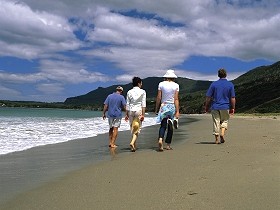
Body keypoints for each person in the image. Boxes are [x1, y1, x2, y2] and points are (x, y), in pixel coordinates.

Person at [205, 68, 236, 144]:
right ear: (226, 75)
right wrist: (233, 107)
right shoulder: (230, 84)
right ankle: (222, 133)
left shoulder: (214, 84)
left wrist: (207, 107)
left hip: (215, 106)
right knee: (225, 120)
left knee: (216, 122)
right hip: (225, 106)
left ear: (218, 75)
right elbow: (232, 98)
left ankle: (216, 139)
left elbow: (208, 97)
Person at [155, 69, 180, 151]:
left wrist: (156, 108)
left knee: (163, 125)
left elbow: (159, 97)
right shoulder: (176, 85)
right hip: (171, 106)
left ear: (166, 77)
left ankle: (160, 139)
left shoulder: (161, 84)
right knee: (170, 127)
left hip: (163, 106)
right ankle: (168, 145)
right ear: (173, 77)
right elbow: (176, 99)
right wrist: (177, 111)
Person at [125, 77, 146, 152]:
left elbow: (127, 104)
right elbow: (143, 104)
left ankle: (134, 146)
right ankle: (132, 142)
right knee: (137, 128)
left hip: (131, 110)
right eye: (141, 83)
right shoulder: (143, 91)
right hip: (138, 110)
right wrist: (143, 114)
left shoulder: (129, 92)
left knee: (133, 127)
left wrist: (126, 114)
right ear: (139, 83)